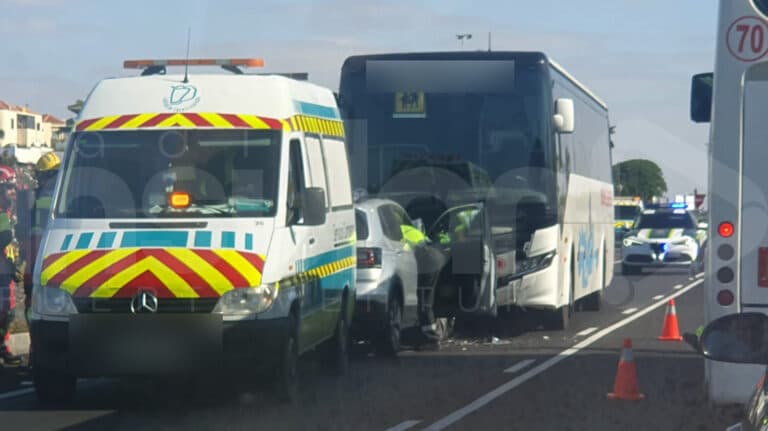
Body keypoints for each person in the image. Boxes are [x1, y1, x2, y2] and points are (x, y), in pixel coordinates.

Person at [0, 165, 23, 366]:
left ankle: (4, 346)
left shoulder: (8, 210)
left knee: (8, 311)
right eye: (9, 188)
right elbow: (3, 239)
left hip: (6, 271)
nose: (13, 192)